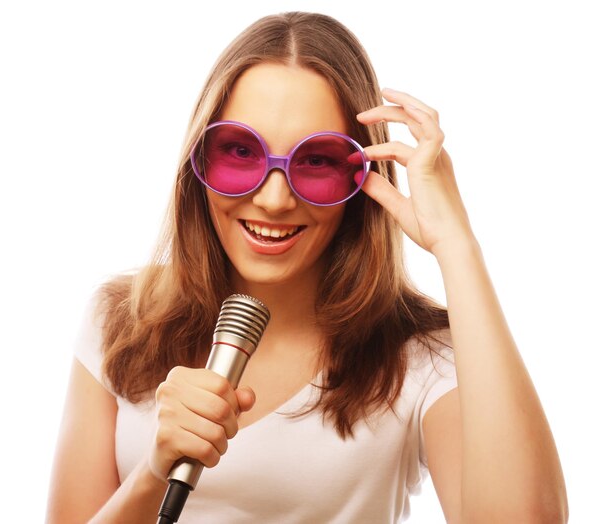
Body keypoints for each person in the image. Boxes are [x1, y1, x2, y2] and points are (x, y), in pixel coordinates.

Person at [46, 11, 568, 523]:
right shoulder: (117, 320)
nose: (273, 200)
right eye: (240, 151)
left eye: (316, 160)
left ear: (362, 175)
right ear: (199, 161)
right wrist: (152, 472)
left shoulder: (421, 357)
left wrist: (457, 246)